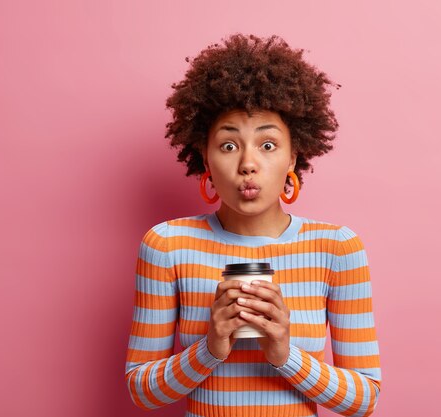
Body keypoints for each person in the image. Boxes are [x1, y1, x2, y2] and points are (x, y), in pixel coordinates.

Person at [124, 33, 382, 417]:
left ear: (293, 156)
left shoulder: (337, 248)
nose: (248, 163)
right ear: (205, 158)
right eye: (229, 145)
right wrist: (209, 348)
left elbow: (363, 400)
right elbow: (142, 391)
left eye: (267, 145)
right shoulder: (167, 245)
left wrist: (284, 353)